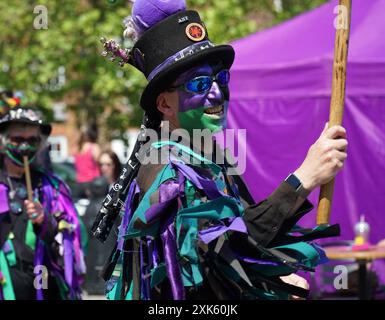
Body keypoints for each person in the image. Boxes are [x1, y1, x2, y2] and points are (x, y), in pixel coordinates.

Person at [97, 0, 348, 300]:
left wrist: (274, 280)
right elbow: (214, 262)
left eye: (220, 78)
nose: (216, 92)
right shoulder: (169, 168)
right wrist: (303, 179)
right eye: (199, 84)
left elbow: (242, 232)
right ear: (165, 104)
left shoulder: (207, 156)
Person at [0, 102, 85, 300]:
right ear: (3, 141)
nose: (25, 146)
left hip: (44, 283)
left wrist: (45, 220)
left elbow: (70, 238)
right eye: (17, 139)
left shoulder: (52, 187)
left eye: (32, 140)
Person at [83, 150, 121, 295]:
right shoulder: (96, 185)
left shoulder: (122, 185)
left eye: (108, 164)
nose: (104, 167)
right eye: (101, 164)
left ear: (115, 165)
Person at [73, 125, 101, 199]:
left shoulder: (77, 149)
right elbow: (100, 164)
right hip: (92, 183)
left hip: (79, 184)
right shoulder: (94, 147)